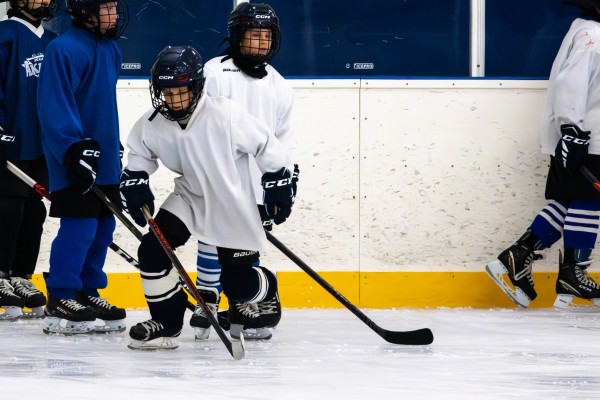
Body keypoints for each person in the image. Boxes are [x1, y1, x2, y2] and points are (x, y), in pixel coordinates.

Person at [120, 45, 297, 350]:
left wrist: (278, 181)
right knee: (152, 252)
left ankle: (268, 289)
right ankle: (167, 323)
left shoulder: (225, 114)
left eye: (181, 91)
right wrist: (135, 178)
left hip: (232, 202)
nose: (173, 100)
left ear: (196, 86)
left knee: (238, 284)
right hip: (189, 197)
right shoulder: (152, 122)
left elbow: (267, 145)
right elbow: (139, 154)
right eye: (166, 92)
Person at [191, 2, 296, 341]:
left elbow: (281, 140)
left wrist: (281, 181)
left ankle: (241, 303)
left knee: (243, 248)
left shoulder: (279, 85)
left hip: (254, 184)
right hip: (216, 175)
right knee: (210, 235)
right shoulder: (214, 73)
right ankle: (207, 295)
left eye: (267, 35)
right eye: (254, 34)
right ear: (237, 36)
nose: (261, 42)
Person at [486, 0, 600, 310]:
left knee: (572, 199)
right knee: (589, 201)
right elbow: (571, 87)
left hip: (585, 136)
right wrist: (572, 132)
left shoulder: (588, 31)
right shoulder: (592, 35)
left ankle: (518, 255)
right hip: (586, 138)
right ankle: (573, 273)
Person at [36, 0, 128, 334]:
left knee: (104, 226)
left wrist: (111, 144)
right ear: (85, 12)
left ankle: (87, 290)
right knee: (81, 226)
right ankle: (61, 293)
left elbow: (101, 102)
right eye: (107, 8)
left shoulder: (111, 50)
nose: (114, 15)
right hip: (73, 155)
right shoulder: (63, 49)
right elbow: (53, 104)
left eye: (115, 8)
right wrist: (72, 147)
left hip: (103, 155)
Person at [0, 0, 61, 319]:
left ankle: (21, 276)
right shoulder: (4, 35)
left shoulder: (52, 42)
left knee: (35, 209)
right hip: (10, 140)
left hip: (41, 144)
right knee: (8, 208)